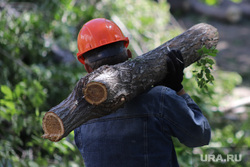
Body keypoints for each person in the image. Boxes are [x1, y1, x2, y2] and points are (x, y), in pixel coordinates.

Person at [74, 18, 211, 167]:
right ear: (128, 54)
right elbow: (200, 136)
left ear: (87, 68)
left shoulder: (80, 118)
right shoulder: (159, 99)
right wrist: (177, 89)